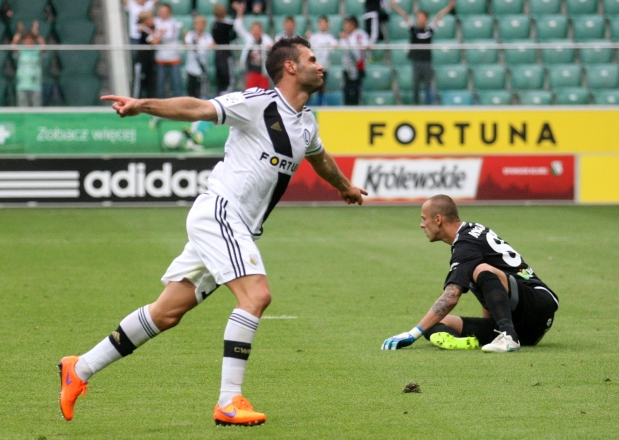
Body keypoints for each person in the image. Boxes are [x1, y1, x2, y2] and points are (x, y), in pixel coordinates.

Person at [58, 36, 368, 426]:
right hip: (221, 213)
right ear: (290, 67)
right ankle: (229, 400)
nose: (320, 65)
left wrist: (344, 186)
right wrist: (143, 105)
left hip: (234, 225)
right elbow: (199, 108)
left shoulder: (305, 123)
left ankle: (79, 369)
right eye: (311, 58)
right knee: (256, 295)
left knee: (166, 312)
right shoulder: (259, 103)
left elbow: (319, 158)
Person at [381, 194, 559, 353]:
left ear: (437, 219)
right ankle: (490, 337)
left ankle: (507, 336)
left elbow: (451, 296)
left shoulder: (466, 245)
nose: (421, 225)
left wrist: (411, 334)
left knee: (481, 270)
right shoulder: (471, 232)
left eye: (423, 219)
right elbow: (491, 288)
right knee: (434, 324)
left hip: (538, 303)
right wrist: (490, 326)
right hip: (524, 326)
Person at [389, 0, 455, 105]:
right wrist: (395, 6)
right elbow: (405, 15)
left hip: (427, 61)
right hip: (416, 61)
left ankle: (428, 106)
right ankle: (416, 106)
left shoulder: (429, 30)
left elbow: (438, 16)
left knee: (428, 85)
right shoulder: (413, 29)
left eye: (423, 18)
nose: (421, 20)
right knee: (415, 85)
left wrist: (449, 7)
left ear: (426, 19)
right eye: (418, 18)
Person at [233, 1, 274, 90]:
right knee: (251, 94)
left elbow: (273, 48)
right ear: (251, 31)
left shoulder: (266, 39)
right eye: (254, 30)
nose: (256, 32)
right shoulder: (248, 38)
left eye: (258, 30)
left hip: (263, 72)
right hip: (251, 72)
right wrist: (240, 13)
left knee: (264, 95)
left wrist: (269, 48)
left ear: (261, 31)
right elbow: (238, 27)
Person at [10, 21, 46, 107]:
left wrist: (36, 32)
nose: (28, 41)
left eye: (31, 39)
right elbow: (12, 46)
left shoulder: (37, 50)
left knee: (37, 107)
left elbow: (44, 45)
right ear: (23, 41)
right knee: (22, 108)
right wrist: (19, 32)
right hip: (22, 84)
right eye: (26, 39)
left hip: (35, 84)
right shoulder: (21, 50)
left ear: (34, 40)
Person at [308, 16, 338, 106]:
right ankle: (307, 105)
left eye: (325, 23)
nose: (323, 25)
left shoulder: (330, 37)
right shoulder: (313, 37)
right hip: (313, 66)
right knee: (309, 85)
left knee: (321, 86)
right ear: (318, 25)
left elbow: (335, 45)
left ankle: (320, 104)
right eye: (321, 23)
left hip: (324, 66)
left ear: (328, 25)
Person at [154, 3, 182, 98]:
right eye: (161, 11)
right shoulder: (155, 22)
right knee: (160, 85)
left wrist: (159, 34)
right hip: (160, 58)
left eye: (165, 11)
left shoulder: (173, 23)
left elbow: (170, 37)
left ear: (170, 12)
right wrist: (159, 34)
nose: (163, 13)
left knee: (176, 85)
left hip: (173, 58)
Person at [340, 16, 369, 106]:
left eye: (346, 24)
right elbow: (342, 47)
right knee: (347, 89)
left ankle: (357, 107)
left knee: (356, 89)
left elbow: (365, 46)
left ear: (353, 25)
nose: (345, 27)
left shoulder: (360, 34)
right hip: (347, 66)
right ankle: (347, 108)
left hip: (357, 66)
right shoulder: (345, 36)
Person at [184, 15, 215, 98]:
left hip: (202, 70)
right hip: (191, 69)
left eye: (202, 24)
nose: (199, 26)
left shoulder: (207, 37)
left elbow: (213, 45)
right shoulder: (190, 35)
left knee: (202, 94)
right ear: (194, 25)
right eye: (197, 23)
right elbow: (186, 44)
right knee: (191, 93)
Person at [211, 3, 237, 95]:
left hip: (218, 53)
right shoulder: (225, 25)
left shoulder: (214, 25)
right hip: (225, 52)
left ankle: (221, 92)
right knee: (227, 75)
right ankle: (226, 92)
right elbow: (234, 34)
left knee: (220, 74)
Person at [132, 10, 156, 98]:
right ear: (145, 20)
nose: (152, 20)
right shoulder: (142, 29)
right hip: (141, 60)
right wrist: (160, 34)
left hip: (150, 60)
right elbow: (154, 42)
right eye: (150, 18)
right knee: (139, 82)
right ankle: (134, 100)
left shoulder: (151, 29)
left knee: (150, 82)